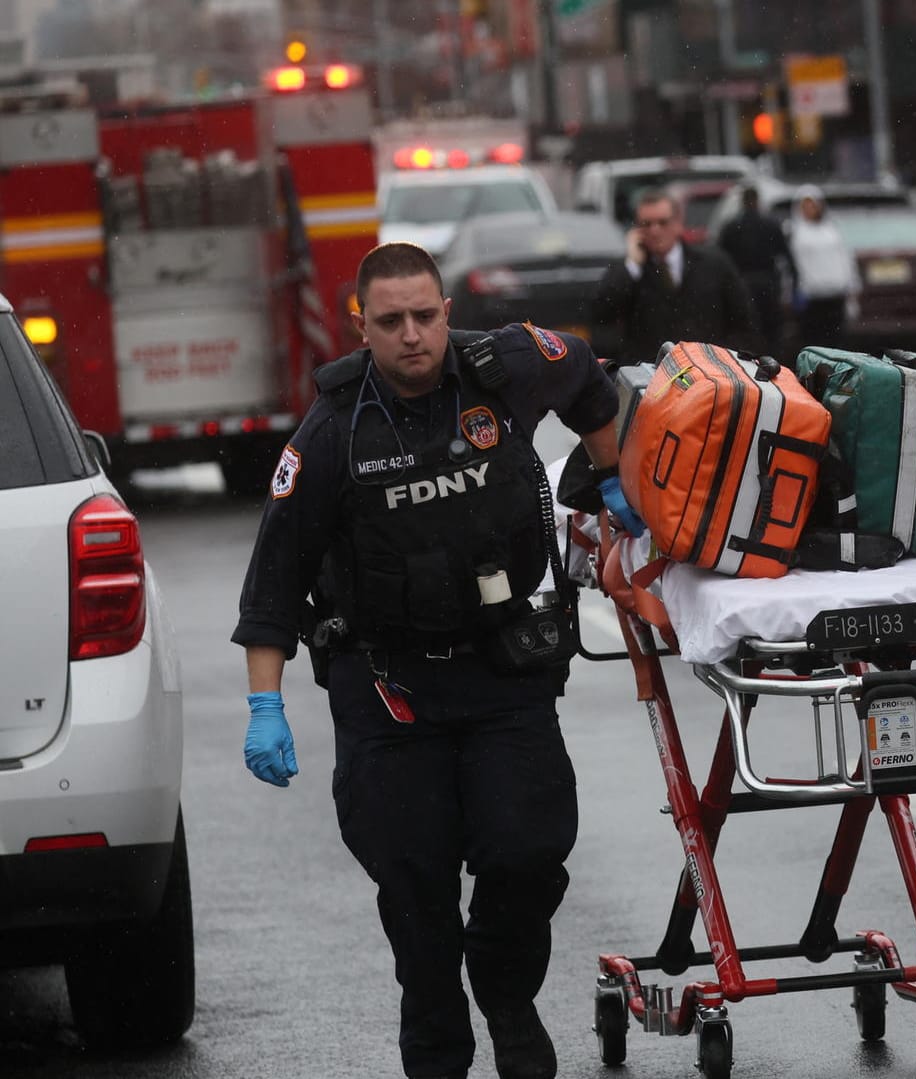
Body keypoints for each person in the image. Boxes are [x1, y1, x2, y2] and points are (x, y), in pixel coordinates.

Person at [233, 242, 647, 1079]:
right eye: (390, 322)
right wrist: (264, 705)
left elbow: (593, 386)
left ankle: (506, 992)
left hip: (503, 672)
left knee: (527, 852)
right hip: (389, 688)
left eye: (426, 315)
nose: (412, 335)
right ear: (362, 325)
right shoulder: (330, 430)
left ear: (447, 311)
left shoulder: (509, 366)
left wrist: (610, 475)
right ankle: (436, 1041)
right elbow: (274, 579)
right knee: (416, 887)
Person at [590, 187, 762, 367]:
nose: (655, 231)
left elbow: (745, 322)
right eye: (646, 224)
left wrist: (723, 361)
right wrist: (633, 264)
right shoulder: (632, 270)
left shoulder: (713, 263)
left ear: (678, 223)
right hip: (652, 377)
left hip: (708, 374)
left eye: (662, 222)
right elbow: (602, 312)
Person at [717, 184, 793, 349]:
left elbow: (721, 259)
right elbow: (787, 257)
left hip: (742, 283)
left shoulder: (731, 227)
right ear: (757, 201)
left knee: (747, 330)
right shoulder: (771, 225)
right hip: (768, 283)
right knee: (771, 332)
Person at [785, 184, 859, 349]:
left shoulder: (831, 230)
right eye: (805, 205)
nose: (810, 209)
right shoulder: (794, 232)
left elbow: (845, 259)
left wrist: (851, 287)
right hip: (812, 298)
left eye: (813, 205)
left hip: (835, 295)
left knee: (836, 341)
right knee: (815, 342)